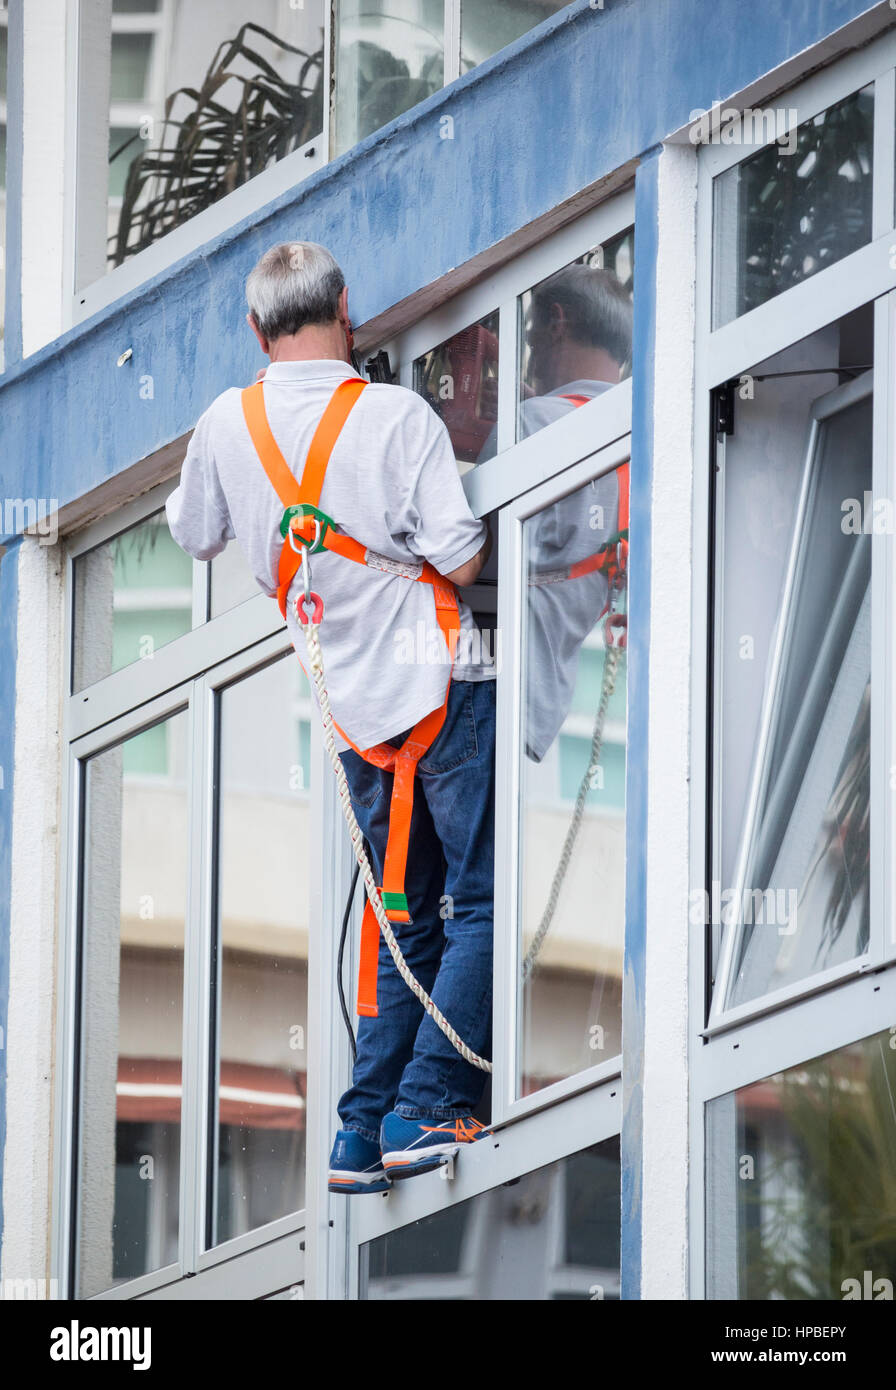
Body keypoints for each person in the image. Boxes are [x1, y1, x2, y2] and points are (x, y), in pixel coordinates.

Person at [165, 241, 497, 1190]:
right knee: (474, 898)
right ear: (347, 307)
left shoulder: (228, 423)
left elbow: (194, 533)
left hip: (354, 713)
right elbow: (465, 561)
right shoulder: (396, 415)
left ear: (253, 328)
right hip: (441, 684)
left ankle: (363, 1131)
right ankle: (430, 1102)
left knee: (401, 912)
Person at [478, 261, 633, 761]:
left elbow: (454, 553)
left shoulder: (533, 426)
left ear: (557, 323)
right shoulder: (643, 447)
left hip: (481, 695)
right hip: (540, 706)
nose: (531, 356)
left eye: (530, 338)